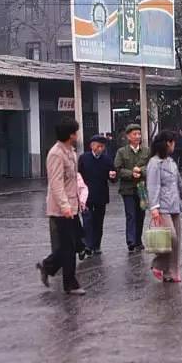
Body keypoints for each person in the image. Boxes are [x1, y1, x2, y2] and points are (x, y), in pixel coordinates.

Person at [36, 118, 85, 295]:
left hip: (72, 205)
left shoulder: (71, 152)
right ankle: (69, 282)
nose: (77, 136)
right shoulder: (56, 154)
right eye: (75, 133)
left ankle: (48, 267)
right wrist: (65, 206)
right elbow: (56, 183)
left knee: (73, 244)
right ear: (69, 134)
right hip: (61, 209)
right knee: (68, 246)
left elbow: (72, 180)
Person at [147, 130, 182, 283]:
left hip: (174, 205)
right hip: (162, 207)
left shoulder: (171, 162)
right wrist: (154, 207)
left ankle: (171, 273)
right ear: (168, 143)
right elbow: (153, 186)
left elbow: (179, 183)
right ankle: (158, 264)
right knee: (171, 238)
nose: (174, 145)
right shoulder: (154, 163)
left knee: (177, 241)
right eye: (173, 142)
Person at [78, 135, 116, 255]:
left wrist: (113, 176)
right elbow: (78, 176)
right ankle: (87, 245)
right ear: (92, 146)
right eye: (98, 146)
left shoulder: (107, 159)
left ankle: (96, 244)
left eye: (102, 146)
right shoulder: (84, 158)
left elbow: (114, 177)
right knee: (87, 220)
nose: (100, 148)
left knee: (98, 221)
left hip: (101, 195)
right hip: (86, 196)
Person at [114, 124, 150, 253]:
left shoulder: (146, 151)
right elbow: (117, 169)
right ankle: (131, 241)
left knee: (141, 215)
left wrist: (140, 170)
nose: (137, 136)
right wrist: (131, 174)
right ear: (128, 136)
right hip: (127, 189)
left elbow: (150, 166)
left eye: (139, 134)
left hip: (142, 189)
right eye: (134, 134)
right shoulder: (121, 152)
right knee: (131, 214)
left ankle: (138, 240)